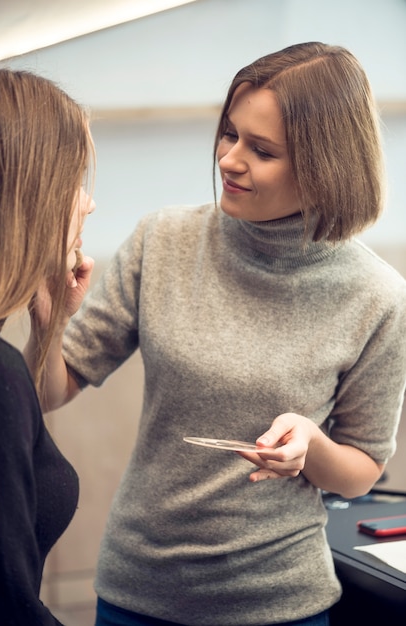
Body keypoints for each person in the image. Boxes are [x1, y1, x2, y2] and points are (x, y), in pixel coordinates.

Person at [27, 42, 406, 626]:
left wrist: (311, 444)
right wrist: (50, 323)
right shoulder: (162, 240)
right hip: (136, 592)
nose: (229, 159)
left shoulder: (378, 296)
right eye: (229, 134)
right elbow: (50, 390)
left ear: (326, 165)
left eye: (262, 150)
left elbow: (362, 468)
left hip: (281, 605)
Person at [0, 68, 95, 625]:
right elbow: (7, 608)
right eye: (75, 182)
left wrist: (49, 326)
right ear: (29, 196)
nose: (88, 205)